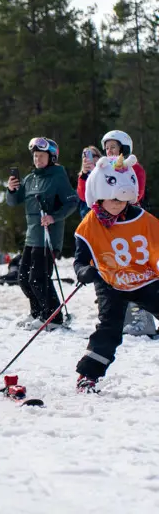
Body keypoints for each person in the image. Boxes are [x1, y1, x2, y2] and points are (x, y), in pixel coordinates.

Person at [72, 154, 159, 392]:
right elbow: (80, 260)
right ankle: (88, 375)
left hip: (144, 279)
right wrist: (83, 271)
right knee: (109, 328)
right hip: (109, 281)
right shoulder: (90, 224)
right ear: (99, 195)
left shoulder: (144, 220)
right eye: (112, 199)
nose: (117, 204)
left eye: (122, 200)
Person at [6, 137, 79, 328]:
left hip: (48, 237)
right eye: (35, 156)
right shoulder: (31, 179)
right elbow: (13, 201)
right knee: (23, 278)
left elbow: (72, 201)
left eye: (41, 156)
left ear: (51, 157)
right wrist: (11, 190)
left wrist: (54, 217)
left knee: (38, 278)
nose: (37, 159)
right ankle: (38, 312)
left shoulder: (58, 176)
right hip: (32, 236)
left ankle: (54, 317)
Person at [100, 130, 146, 203]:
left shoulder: (134, 167)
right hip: (106, 206)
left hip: (128, 206)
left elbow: (138, 192)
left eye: (113, 147)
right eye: (107, 148)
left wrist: (119, 201)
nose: (109, 151)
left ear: (123, 149)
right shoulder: (104, 167)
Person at [76, 146, 103, 219]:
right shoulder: (82, 176)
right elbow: (82, 196)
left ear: (99, 158)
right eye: (84, 156)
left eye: (92, 155)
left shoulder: (106, 171)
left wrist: (95, 171)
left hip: (104, 212)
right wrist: (83, 175)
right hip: (88, 215)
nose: (87, 158)